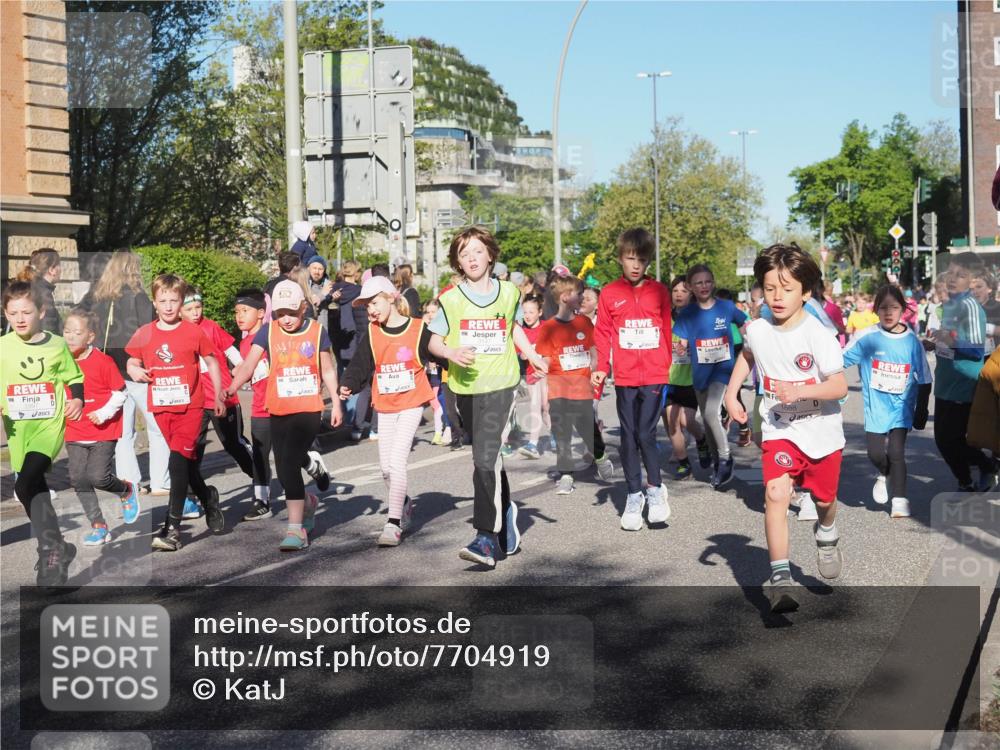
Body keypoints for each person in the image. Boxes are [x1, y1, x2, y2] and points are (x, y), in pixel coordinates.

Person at [724, 243, 848, 614]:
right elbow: (748, 356)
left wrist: (801, 389)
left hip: (822, 432)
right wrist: (732, 394)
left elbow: (839, 387)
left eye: (787, 288)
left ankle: (826, 534)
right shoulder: (758, 330)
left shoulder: (817, 334)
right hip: (780, 427)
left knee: (826, 501)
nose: (777, 296)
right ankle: (780, 577)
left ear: (806, 292)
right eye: (770, 287)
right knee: (776, 494)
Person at [428, 226, 548, 567]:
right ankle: (505, 511)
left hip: (502, 385)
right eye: (464, 254)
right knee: (488, 459)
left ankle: (484, 536)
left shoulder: (509, 292)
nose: (472, 258)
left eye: (477, 251)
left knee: (485, 458)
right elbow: (433, 341)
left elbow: (513, 328)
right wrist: (450, 352)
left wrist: (532, 355)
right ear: (458, 263)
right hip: (466, 389)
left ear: (490, 255)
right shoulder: (451, 299)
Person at [226, 280, 344, 551]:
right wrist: (232, 387)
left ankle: (295, 529)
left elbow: (327, 369)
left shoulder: (317, 332)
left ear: (303, 308)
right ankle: (309, 502)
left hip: (309, 408)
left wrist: (335, 402)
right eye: (280, 314)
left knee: (289, 461)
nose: (287, 319)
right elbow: (248, 365)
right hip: (278, 408)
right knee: (284, 463)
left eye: (292, 312)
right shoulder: (267, 332)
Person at [125, 274, 227, 551]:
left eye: (174, 301)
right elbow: (131, 361)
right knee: (184, 464)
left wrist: (218, 394)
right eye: (163, 301)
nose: (169, 306)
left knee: (177, 462)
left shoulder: (193, 331)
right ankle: (209, 499)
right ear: (155, 303)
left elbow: (211, 361)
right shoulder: (145, 332)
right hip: (161, 407)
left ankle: (172, 528)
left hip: (191, 406)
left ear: (181, 302)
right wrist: (135, 370)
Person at [340, 276, 434, 546]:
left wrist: (452, 357)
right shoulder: (372, 332)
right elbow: (361, 363)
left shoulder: (417, 328)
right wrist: (348, 384)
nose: (370, 309)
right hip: (385, 404)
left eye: (374, 302)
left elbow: (435, 350)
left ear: (391, 298)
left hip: (412, 401)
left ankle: (393, 524)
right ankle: (402, 501)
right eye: (366, 306)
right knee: (384, 469)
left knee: (396, 463)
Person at [2, 280, 84, 584]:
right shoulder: (2, 347)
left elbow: (73, 376)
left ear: (41, 311)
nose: (20, 318)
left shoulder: (56, 344)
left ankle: (49, 549)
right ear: (5, 314)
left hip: (48, 425)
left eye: (26, 311)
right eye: (13, 313)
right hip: (17, 428)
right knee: (33, 489)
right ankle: (58, 547)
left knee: (24, 487)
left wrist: (77, 398)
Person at [591, 228, 673, 531]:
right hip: (624, 376)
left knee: (645, 434)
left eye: (641, 259)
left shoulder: (660, 291)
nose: (635, 264)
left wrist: (664, 365)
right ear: (620, 259)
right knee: (627, 437)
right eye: (630, 258)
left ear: (648, 261)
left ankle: (655, 490)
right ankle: (633, 494)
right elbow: (602, 333)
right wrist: (602, 367)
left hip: (653, 374)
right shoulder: (611, 293)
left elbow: (666, 328)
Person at [81, 249, 169, 495]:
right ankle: (161, 481)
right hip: (136, 367)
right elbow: (148, 332)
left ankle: (129, 481)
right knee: (156, 428)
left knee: (123, 431)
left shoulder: (98, 298)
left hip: (110, 371)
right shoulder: (138, 297)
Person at [842, 285, 932, 519]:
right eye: (883, 308)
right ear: (876, 311)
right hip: (876, 407)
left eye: (894, 307)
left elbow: (924, 377)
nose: (889, 312)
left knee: (896, 451)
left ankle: (900, 499)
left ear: (903, 309)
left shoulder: (911, 340)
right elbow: (838, 359)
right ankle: (884, 474)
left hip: (901, 407)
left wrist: (921, 409)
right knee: (875, 454)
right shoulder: (867, 336)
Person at [178, 289, 260, 518]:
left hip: (222, 395)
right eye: (189, 309)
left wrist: (244, 369)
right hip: (193, 400)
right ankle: (192, 499)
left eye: (198, 308)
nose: (195, 313)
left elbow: (232, 352)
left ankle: (260, 480)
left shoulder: (210, 327)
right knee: (191, 450)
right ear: (179, 310)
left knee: (234, 444)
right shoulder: (178, 332)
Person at [61, 309, 140, 545]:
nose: (71, 337)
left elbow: (121, 393)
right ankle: (98, 526)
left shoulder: (103, 361)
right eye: (67, 331)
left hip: (104, 430)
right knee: (78, 479)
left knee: (98, 476)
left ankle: (126, 490)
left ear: (91, 336)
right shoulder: (60, 362)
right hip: (75, 429)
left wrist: (104, 412)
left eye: (77, 332)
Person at [534, 275, 614, 494]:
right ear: (565, 297)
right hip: (559, 389)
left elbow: (593, 352)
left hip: (582, 389)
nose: (582, 297)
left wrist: (595, 370)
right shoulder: (548, 328)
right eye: (579, 294)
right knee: (562, 433)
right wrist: (539, 374)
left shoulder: (584, 323)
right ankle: (566, 475)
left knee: (588, 431)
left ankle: (600, 456)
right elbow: (546, 361)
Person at [674, 264, 747, 489]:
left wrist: (750, 343)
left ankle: (726, 458)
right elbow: (682, 341)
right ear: (691, 287)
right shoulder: (688, 313)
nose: (703, 286)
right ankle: (718, 466)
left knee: (711, 412)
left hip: (723, 369)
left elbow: (744, 324)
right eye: (698, 283)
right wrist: (680, 348)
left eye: (707, 281)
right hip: (700, 374)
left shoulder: (726, 307)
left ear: (713, 283)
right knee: (708, 420)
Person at [926, 255, 995, 491]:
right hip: (946, 384)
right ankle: (966, 480)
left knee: (949, 440)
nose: (953, 279)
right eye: (952, 273)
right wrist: (934, 343)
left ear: (973, 280)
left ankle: (987, 466)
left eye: (961, 275)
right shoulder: (953, 305)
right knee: (944, 440)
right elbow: (950, 343)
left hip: (964, 385)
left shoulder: (970, 307)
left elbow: (976, 349)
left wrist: (949, 338)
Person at [233, 289, 276, 521]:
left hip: (280, 405)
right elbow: (251, 372)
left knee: (289, 453)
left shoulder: (272, 335)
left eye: (245, 311)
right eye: (237, 312)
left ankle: (310, 462)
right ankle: (261, 501)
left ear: (261, 313)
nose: (239, 316)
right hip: (259, 406)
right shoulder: (244, 343)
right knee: (260, 454)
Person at [662, 276, 709, 481]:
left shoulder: (698, 318)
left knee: (687, 420)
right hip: (667, 379)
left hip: (691, 379)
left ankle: (701, 440)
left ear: (692, 294)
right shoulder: (664, 318)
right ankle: (684, 463)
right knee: (672, 424)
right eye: (675, 291)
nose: (679, 294)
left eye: (684, 291)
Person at [515, 294, 551, 459]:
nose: (528, 315)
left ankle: (556, 434)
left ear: (540, 312)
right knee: (535, 406)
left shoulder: (547, 328)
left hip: (549, 373)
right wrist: (527, 354)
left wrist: (541, 359)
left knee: (546, 408)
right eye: (525, 312)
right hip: (532, 374)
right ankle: (533, 444)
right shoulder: (520, 332)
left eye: (531, 311)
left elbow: (553, 350)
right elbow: (521, 355)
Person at [423, 299, 451, 446]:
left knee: (442, 399)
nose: (431, 315)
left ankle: (446, 429)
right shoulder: (425, 328)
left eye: (434, 312)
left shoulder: (444, 326)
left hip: (443, 369)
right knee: (436, 401)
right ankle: (440, 431)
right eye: (428, 312)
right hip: (430, 371)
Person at [17, 248, 62, 334]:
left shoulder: (34, 287)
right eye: (59, 265)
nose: (61, 269)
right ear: (52, 270)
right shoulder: (43, 294)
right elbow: (48, 331)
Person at [307, 256, 337, 332]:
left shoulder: (327, 284)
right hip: (308, 326)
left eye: (320, 269)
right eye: (314, 268)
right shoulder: (304, 284)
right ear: (308, 268)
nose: (317, 272)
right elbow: (312, 303)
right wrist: (323, 293)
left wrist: (334, 298)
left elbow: (326, 304)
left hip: (322, 328)